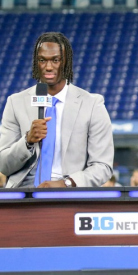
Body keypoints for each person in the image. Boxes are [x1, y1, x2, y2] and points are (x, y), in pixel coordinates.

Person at [0, 32, 114, 188]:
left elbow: (103, 166)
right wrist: (27, 141)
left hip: (69, 193)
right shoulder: (16, 102)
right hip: (24, 193)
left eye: (55, 60)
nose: (48, 67)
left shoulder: (92, 105)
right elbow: (3, 165)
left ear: (66, 62)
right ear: (36, 63)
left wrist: (66, 183)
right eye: (42, 60)